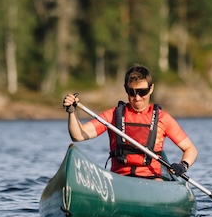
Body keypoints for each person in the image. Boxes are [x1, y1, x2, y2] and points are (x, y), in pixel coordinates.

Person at [62, 65, 198, 179]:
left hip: (152, 180)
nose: (137, 98)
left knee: (158, 182)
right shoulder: (113, 115)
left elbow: (190, 149)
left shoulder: (163, 119)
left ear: (151, 89)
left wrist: (183, 165)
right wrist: (72, 112)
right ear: (125, 89)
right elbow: (78, 135)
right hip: (119, 179)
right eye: (131, 92)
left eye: (142, 92)